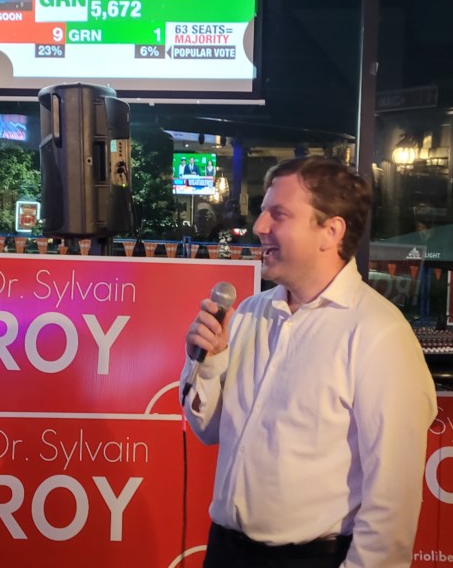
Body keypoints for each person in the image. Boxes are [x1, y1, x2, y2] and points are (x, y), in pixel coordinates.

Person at [182, 156, 437, 567]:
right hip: (226, 551)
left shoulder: (378, 333)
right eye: (263, 212)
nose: (259, 227)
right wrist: (208, 364)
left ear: (330, 232)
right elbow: (208, 430)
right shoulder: (248, 313)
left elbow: (392, 499)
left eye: (277, 214)